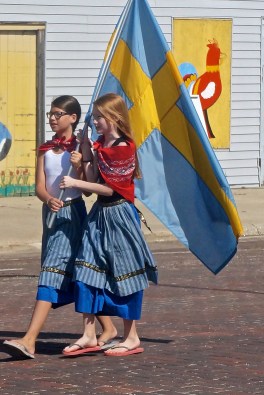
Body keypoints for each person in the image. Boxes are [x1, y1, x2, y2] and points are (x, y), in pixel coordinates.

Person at [3, 95, 117, 359]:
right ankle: (108, 328)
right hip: (51, 214)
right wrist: (48, 199)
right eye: (50, 115)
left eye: (58, 114)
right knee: (76, 271)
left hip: (73, 214)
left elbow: (87, 189)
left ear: (73, 118)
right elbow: (40, 186)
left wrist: (79, 165)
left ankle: (29, 340)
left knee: (51, 271)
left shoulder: (81, 147)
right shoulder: (46, 149)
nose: (52, 119)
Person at [60, 93, 158, 357]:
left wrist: (75, 183)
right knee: (85, 268)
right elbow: (93, 183)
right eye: (94, 117)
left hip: (120, 215)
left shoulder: (125, 147)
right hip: (99, 215)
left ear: (114, 117)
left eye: (99, 117)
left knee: (125, 274)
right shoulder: (102, 143)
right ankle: (89, 334)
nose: (95, 121)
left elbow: (108, 189)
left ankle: (132, 336)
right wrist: (86, 154)